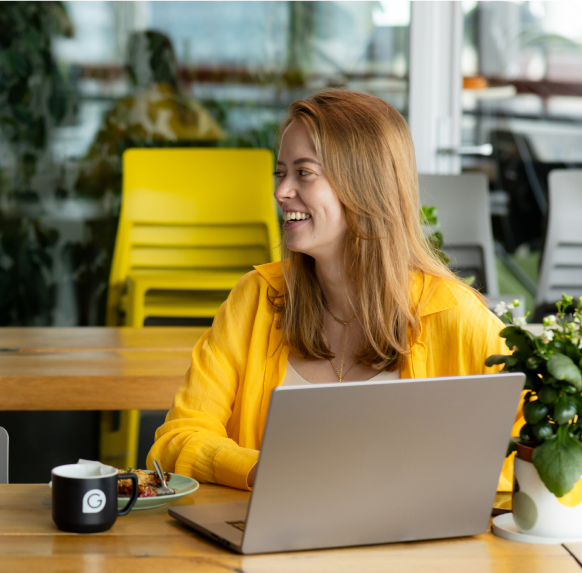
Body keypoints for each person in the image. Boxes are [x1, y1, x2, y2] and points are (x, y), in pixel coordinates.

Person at [147, 89, 519, 491]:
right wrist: (263, 470)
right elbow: (176, 441)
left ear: (364, 185)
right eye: (281, 172)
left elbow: (547, 447)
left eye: (304, 173)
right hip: (265, 548)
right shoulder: (255, 299)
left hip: (410, 550)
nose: (281, 191)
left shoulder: (453, 313)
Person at [75, 30, 225, 199]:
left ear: (134, 66)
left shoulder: (127, 111)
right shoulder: (197, 114)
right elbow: (224, 165)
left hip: (139, 215)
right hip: (195, 214)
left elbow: (91, 174)